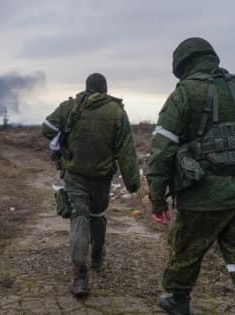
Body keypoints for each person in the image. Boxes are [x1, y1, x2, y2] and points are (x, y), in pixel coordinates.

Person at [147, 37, 235, 315]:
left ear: (182, 65)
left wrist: (157, 200)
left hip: (202, 197)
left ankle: (178, 300)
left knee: (185, 252)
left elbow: (162, 152)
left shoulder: (184, 94)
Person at [42, 73, 140, 297]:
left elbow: (46, 127)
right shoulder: (116, 111)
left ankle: (80, 276)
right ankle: (97, 255)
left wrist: (63, 139)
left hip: (74, 175)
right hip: (101, 179)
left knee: (78, 219)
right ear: (106, 90)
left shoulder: (70, 106)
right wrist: (133, 183)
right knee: (97, 216)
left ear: (86, 88)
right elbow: (127, 151)